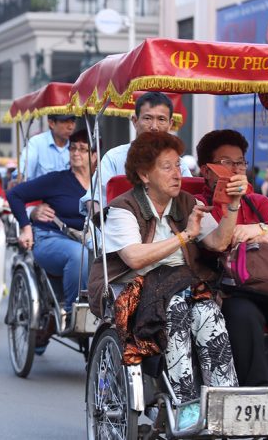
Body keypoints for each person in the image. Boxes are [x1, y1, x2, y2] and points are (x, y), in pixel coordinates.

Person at [89, 132, 243, 428]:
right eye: (167, 166)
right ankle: (185, 403)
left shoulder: (187, 202)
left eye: (178, 166)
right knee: (174, 311)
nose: (178, 174)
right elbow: (134, 257)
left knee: (207, 311)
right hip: (140, 286)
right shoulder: (124, 207)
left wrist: (233, 205)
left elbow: (218, 242)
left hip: (184, 284)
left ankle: (224, 399)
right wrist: (185, 235)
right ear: (145, 174)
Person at [195, 129, 268, 387]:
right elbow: (217, 244)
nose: (235, 169)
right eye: (226, 162)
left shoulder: (258, 201)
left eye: (240, 162)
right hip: (229, 288)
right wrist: (259, 231)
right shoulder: (198, 204)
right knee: (242, 314)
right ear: (206, 170)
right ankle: (256, 391)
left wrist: (255, 230)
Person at [6, 129, 95, 319]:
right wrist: (26, 228)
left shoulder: (101, 184)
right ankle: (74, 311)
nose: (76, 153)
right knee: (80, 256)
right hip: (51, 238)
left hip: (89, 240)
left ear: (94, 156)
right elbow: (14, 194)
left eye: (82, 149)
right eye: (72, 148)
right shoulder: (57, 180)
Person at [80, 91, 191, 214]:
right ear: (135, 121)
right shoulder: (114, 158)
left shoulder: (179, 164)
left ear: (170, 124)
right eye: (148, 118)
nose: (154, 126)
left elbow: (188, 200)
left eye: (161, 119)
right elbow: (93, 199)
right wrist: (105, 225)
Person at [16, 114, 77, 181]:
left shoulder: (78, 146)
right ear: (51, 123)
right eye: (65, 121)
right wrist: (20, 178)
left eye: (73, 122)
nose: (71, 127)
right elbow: (23, 173)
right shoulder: (37, 143)